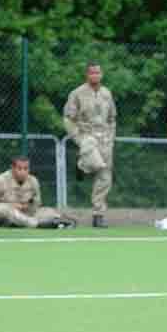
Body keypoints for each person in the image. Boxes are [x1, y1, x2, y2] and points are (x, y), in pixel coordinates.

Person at [64, 62, 116, 228]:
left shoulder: (107, 94)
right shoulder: (77, 94)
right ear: (87, 75)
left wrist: (111, 137)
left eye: (98, 73)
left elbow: (112, 118)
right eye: (92, 73)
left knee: (105, 176)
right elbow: (68, 118)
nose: (95, 76)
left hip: (105, 140)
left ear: (102, 74)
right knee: (97, 166)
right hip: (87, 137)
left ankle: (98, 214)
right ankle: (82, 165)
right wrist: (78, 138)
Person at [0, 156, 73, 229]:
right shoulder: (0, 181)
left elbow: (37, 203)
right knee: (1, 210)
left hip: (28, 213)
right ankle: (36, 224)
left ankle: (64, 221)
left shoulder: (33, 181)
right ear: (12, 168)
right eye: (19, 168)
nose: (23, 172)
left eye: (26, 168)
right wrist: (12, 206)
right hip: (10, 214)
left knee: (49, 212)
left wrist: (27, 206)